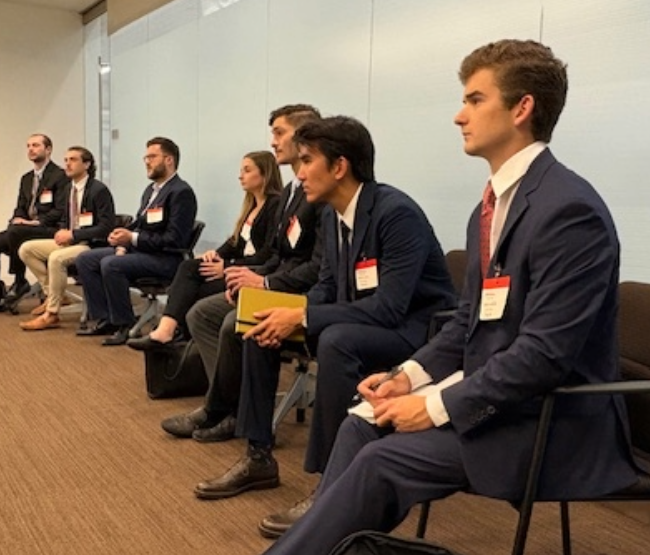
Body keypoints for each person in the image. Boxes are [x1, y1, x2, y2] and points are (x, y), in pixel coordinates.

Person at [260, 39, 639, 555]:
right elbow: (467, 323)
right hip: (495, 397)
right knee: (359, 425)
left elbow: (544, 357)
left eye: (475, 99)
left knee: (380, 462)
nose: (460, 115)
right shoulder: (492, 206)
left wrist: (435, 405)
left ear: (522, 108)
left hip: (547, 419)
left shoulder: (569, 211)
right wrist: (406, 378)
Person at [193, 116, 456, 507]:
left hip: (414, 329)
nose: (298, 175)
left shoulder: (396, 213)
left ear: (339, 166)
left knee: (336, 340)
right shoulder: (334, 215)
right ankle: (258, 455)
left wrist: (301, 316)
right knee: (257, 324)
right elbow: (327, 288)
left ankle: (333, 484)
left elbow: (389, 307)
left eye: (306, 162)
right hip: (359, 317)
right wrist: (288, 310)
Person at [159, 104, 323, 441]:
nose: (273, 142)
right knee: (202, 313)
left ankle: (223, 410)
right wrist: (248, 277)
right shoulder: (293, 192)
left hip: (301, 294)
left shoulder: (316, 194)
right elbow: (277, 254)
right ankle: (226, 405)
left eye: (279, 133)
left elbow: (317, 267)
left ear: (305, 136)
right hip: (277, 281)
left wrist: (261, 280)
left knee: (231, 321)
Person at [127, 150, 283, 350]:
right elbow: (235, 242)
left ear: (265, 174)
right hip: (237, 267)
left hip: (253, 273)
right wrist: (216, 254)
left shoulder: (275, 205)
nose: (240, 175)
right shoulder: (251, 205)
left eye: (247, 170)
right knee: (189, 268)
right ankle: (172, 334)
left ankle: (173, 334)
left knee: (193, 289)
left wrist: (226, 266)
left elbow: (268, 254)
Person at [75, 137, 197, 346]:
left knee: (111, 264)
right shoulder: (151, 191)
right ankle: (106, 318)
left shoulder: (181, 192)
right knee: (86, 259)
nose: (146, 162)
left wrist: (131, 239)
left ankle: (124, 324)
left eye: (152, 157)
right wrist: (122, 238)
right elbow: (140, 224)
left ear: (169, 160)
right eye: (145, 157)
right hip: (143, 252)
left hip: (167, 258)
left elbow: (175, 239)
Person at [17, 146, 116, 330]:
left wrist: (73, 235)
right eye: (65, 160)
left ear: (86, 164)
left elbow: (105, 228)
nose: (67, 164)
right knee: (26, 249)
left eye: (73, 160)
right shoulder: (69, 189)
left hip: (91, 245)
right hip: (72, 241)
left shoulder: (98, 190)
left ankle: (52, 314)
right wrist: (62, 231)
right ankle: (55, 295)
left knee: (56, 258)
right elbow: (66, 218)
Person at [0, 134, 68, 315]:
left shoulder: (60, 176)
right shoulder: (26, 178)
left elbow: (61, 210)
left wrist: (33, 222)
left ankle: (19, 279)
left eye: (36, 145)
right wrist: (17, 218)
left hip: (50, 228)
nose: (31, 149)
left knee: (16, 232)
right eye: (29, 146)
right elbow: (21, 207)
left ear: (48, 150)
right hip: (24, 229)